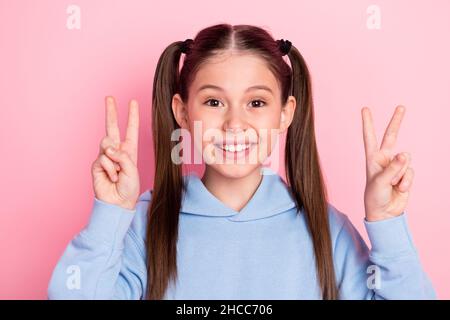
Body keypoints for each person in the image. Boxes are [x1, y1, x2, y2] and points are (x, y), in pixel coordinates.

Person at [48, 23, 436, 300]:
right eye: (214, 102)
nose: (235, 124)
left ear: (285, 114)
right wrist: (110, 214)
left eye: (256, 103)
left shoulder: (326, 229)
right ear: (183, 113)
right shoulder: (143, 224)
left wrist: (387, 224)